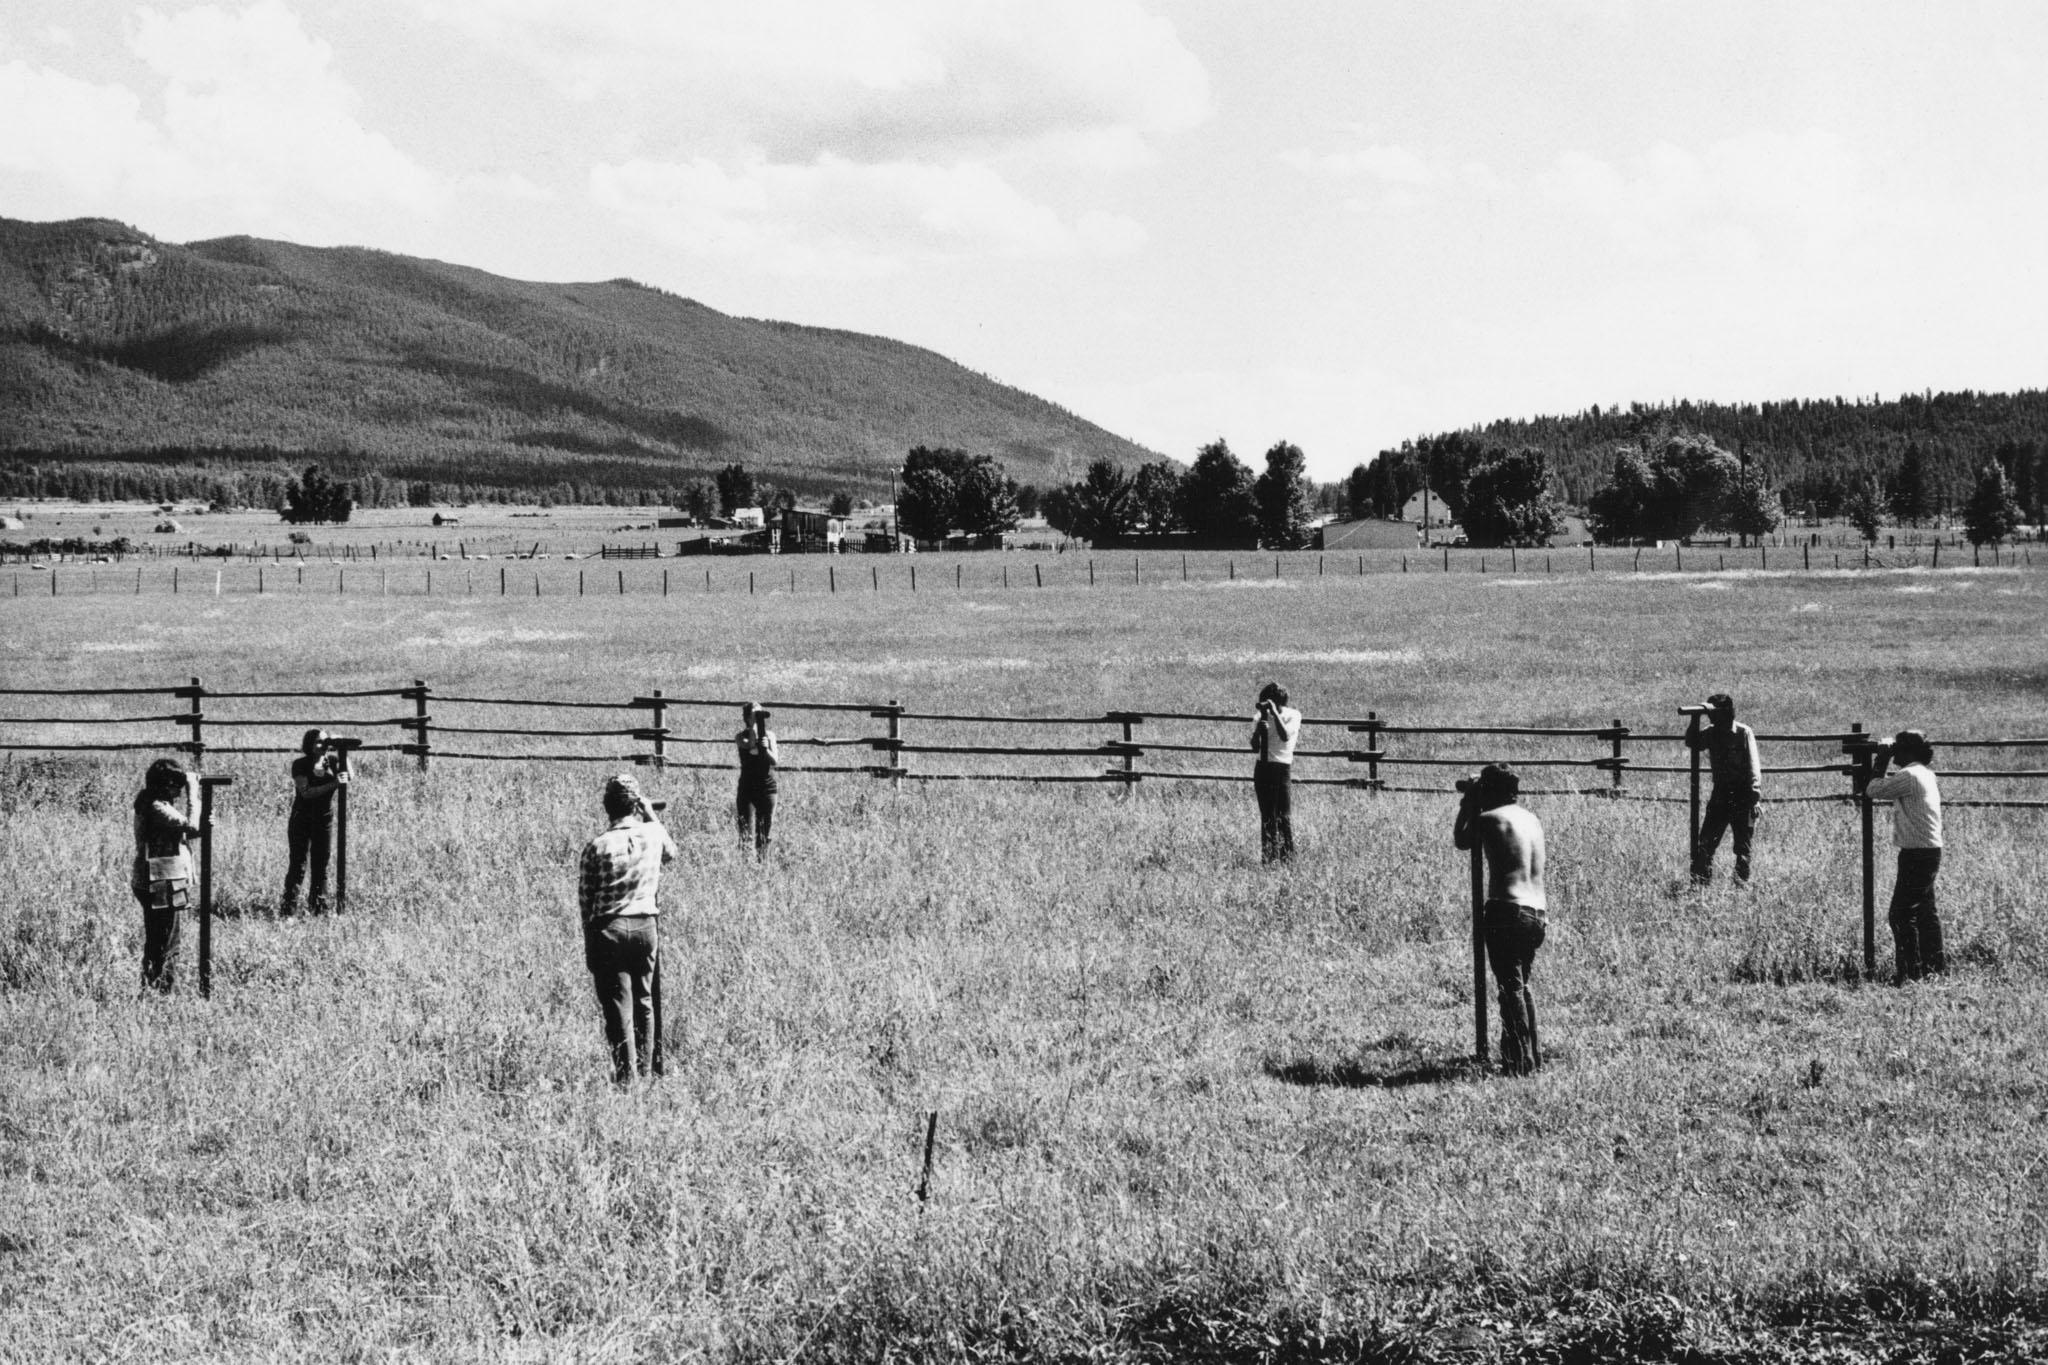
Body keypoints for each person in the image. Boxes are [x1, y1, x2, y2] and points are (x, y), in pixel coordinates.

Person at [578, 772, 678, 1084]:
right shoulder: (652, 835)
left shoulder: (597, 846)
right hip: (646, 925)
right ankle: (647, 1072)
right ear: (635, 805)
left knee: (619, 1004)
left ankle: (626, 1077)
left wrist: (589, 941)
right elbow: (672, 853)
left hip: (609, 927)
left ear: (607, 806)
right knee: (644, 1001)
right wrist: (650, 815)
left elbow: (586, 899)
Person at [1454, 763, 1548, 1075]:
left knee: (1510, 988)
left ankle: (1518, 1063)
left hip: (1506, 910)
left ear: (1489, 791)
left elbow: (1461, 840)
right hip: (1537, 912)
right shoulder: (1531, 819)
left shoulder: (1488, 818)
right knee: (1522, 986)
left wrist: (1468, 802)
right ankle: (1532, 1054)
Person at [1867, 729, 1945, 984]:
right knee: (1924, 912)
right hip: (1928, 850)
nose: (1895, 752)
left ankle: (1910, 973)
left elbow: (1873, 789)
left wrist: (1881, 759)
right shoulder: (1925, 773)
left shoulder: (1909, 775)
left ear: (1909, 751)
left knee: (1900, 914)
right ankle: (1933, 968)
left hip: (1917, 853)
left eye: (1898, 748)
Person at [131, 756, 204, 993]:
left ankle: (155, 988)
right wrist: (194, 792)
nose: (180, 791)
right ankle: (161, 992)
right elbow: (190, 826)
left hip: (161, 877)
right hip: (159, 880)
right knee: (166, 942)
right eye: (176, 786)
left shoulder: (155, 802)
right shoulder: (155, 806)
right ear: (164, 784)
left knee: (162, 939)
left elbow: (181, 832)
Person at [1686, 692, 1763, 884]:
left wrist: (1754, 797)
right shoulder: (1711, 733)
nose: (1711, 718)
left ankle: (1741, 884)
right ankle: (1701, 883)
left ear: (1726, 713)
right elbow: (1692, 742)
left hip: (1743, 795)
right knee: (1706, 842)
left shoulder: (1743, 732)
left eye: (1713, 713)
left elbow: (1754, 766)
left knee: (1742, 846)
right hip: (1720, 793)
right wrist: (1694, 719)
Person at [281, 728, 347, 916]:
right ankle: (288, 911)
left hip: (324, 818)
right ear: (309, 744)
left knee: (321, 864)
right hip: (302, 817)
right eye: (318, 742)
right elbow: (306, 792)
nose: (323, 746)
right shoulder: (300, 764)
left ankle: (319, 909)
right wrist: (334, 784)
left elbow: (349, 774)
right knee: (298, 863)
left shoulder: (333, 762)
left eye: (325, 742)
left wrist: (341, 746)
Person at [1249, 682, 1301, 863]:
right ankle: (1269, 858)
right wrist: (1258, 732)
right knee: (1267, 816)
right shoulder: (1260, 717)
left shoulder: (1293, 715)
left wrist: (1275, 714)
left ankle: (1287, 858)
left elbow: (1285, 735)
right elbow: (1254, 747)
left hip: (1282, 768)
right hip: (1263, 767)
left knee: (1283, 815)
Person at [734, 701, 779, 857]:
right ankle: (745, 868)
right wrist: (754, 731)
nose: (758, 717)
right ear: (746, 717)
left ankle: (762, 866)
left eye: (760, 714)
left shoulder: (770, 735)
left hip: (767, 788)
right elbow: (749, 744)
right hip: (747, 788)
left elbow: (775, 761)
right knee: (745, 833)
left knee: (764, 834)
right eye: (754, 714)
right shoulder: (740, 736)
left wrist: (765, 749)